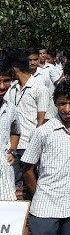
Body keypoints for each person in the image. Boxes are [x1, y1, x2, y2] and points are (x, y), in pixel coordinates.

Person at [22, 79, 70, 235]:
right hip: (45, 206)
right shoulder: (42, 132)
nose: (67, 109)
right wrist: (40, 195)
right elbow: (28, 169)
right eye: (62, 103)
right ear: (54, 103)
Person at [7, 48, 49, 201]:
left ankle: (38, 209)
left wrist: (37, 143)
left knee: (32, 180)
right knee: (15, 182)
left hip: (31, 143)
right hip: (13, 144)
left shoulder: (39, 88)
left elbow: (42, 120)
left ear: (15, 68)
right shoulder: (11, 88)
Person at [0, 59, 20, 203]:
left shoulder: (11, 109)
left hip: (4, 167)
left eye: (6, 81)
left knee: (7, 208)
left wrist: (12, 151)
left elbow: (15, 131)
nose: (2, 86)